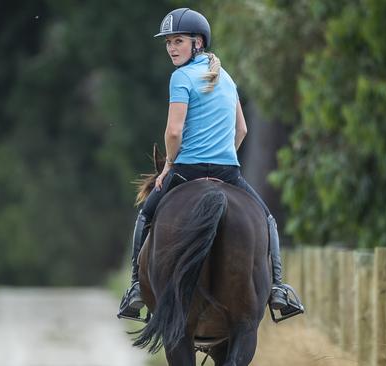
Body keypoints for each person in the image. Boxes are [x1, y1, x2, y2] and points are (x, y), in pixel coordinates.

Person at [117, 8, 304, 322]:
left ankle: (136, 288)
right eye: (168, 43)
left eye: (178, 41)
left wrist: (168, 166)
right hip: (227, 172)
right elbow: (241, 129)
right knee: (267, 220)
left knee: (146, 215)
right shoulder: (226, 78)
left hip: (186, 170)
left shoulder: (181, 77)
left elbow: (174, 130)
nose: (172, 48)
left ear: (197, 42)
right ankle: (277, 289)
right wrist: (222, 154)